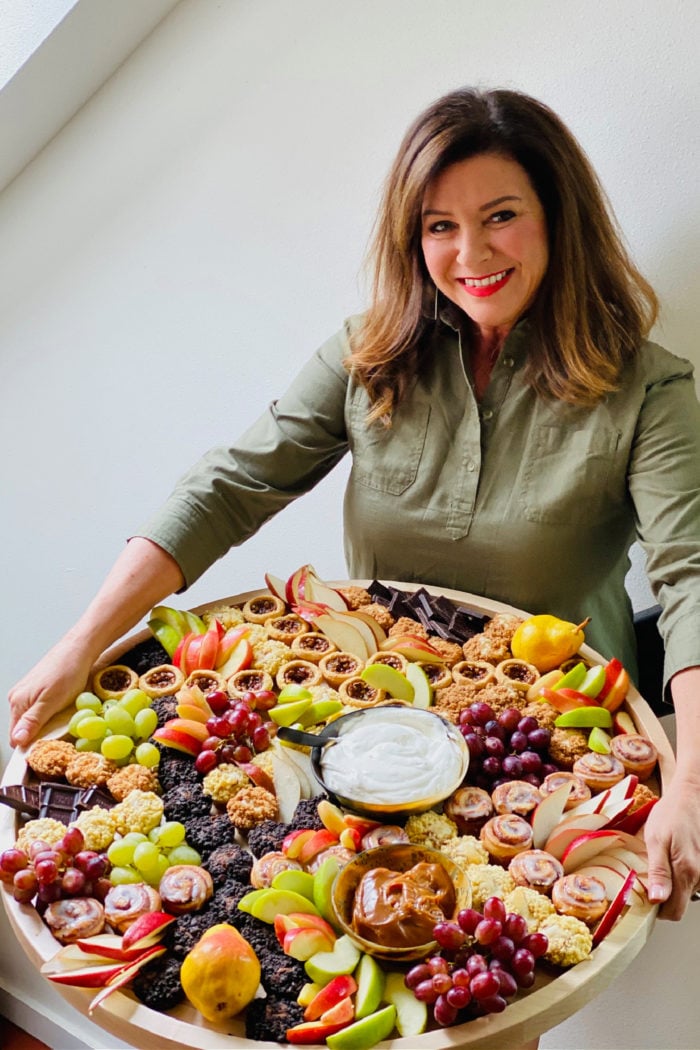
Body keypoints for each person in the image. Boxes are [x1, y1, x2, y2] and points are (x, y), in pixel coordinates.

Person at [9, 89, 700, 933]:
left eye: (501, 216)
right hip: (362, 721)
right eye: (438, 225)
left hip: (538, 737)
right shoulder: (367, 351)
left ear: (561, 219)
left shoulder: (653, 391)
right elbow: (229, 486)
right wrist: (79, 645)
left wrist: (693, 783)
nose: (470, 251)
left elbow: (691, 574)